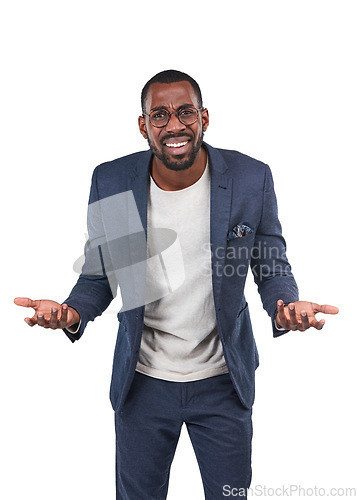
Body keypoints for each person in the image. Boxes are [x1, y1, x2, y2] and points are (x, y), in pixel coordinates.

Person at [14, 70, 339, 500]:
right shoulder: (113, 182)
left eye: (186, 112)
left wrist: (286, 304)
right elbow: (101, 273)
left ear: (204, 117)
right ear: (143, 125)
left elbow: (271, 264)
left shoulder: (249, 178)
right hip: (142, 381)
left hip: (223, 380)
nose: (174, 125)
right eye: (160, 115)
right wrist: (71, 312)